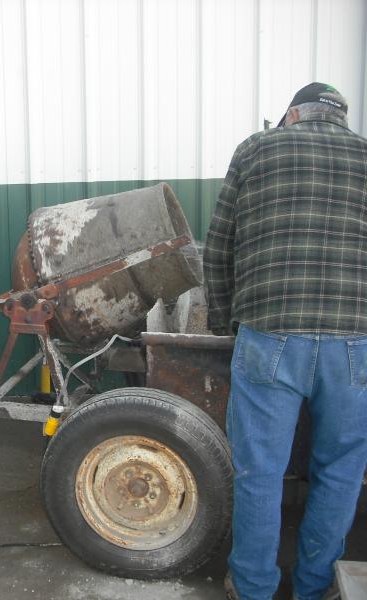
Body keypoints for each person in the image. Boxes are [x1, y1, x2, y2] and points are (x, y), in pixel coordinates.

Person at [204, 82, 367, 600]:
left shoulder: (256, 148)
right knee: (341, 470)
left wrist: (225, 321)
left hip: (269, 332)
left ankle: (253, 589)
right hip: (355, 342)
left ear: (292, 115)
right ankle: (318, 586)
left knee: (259, 472)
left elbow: (217, 248)